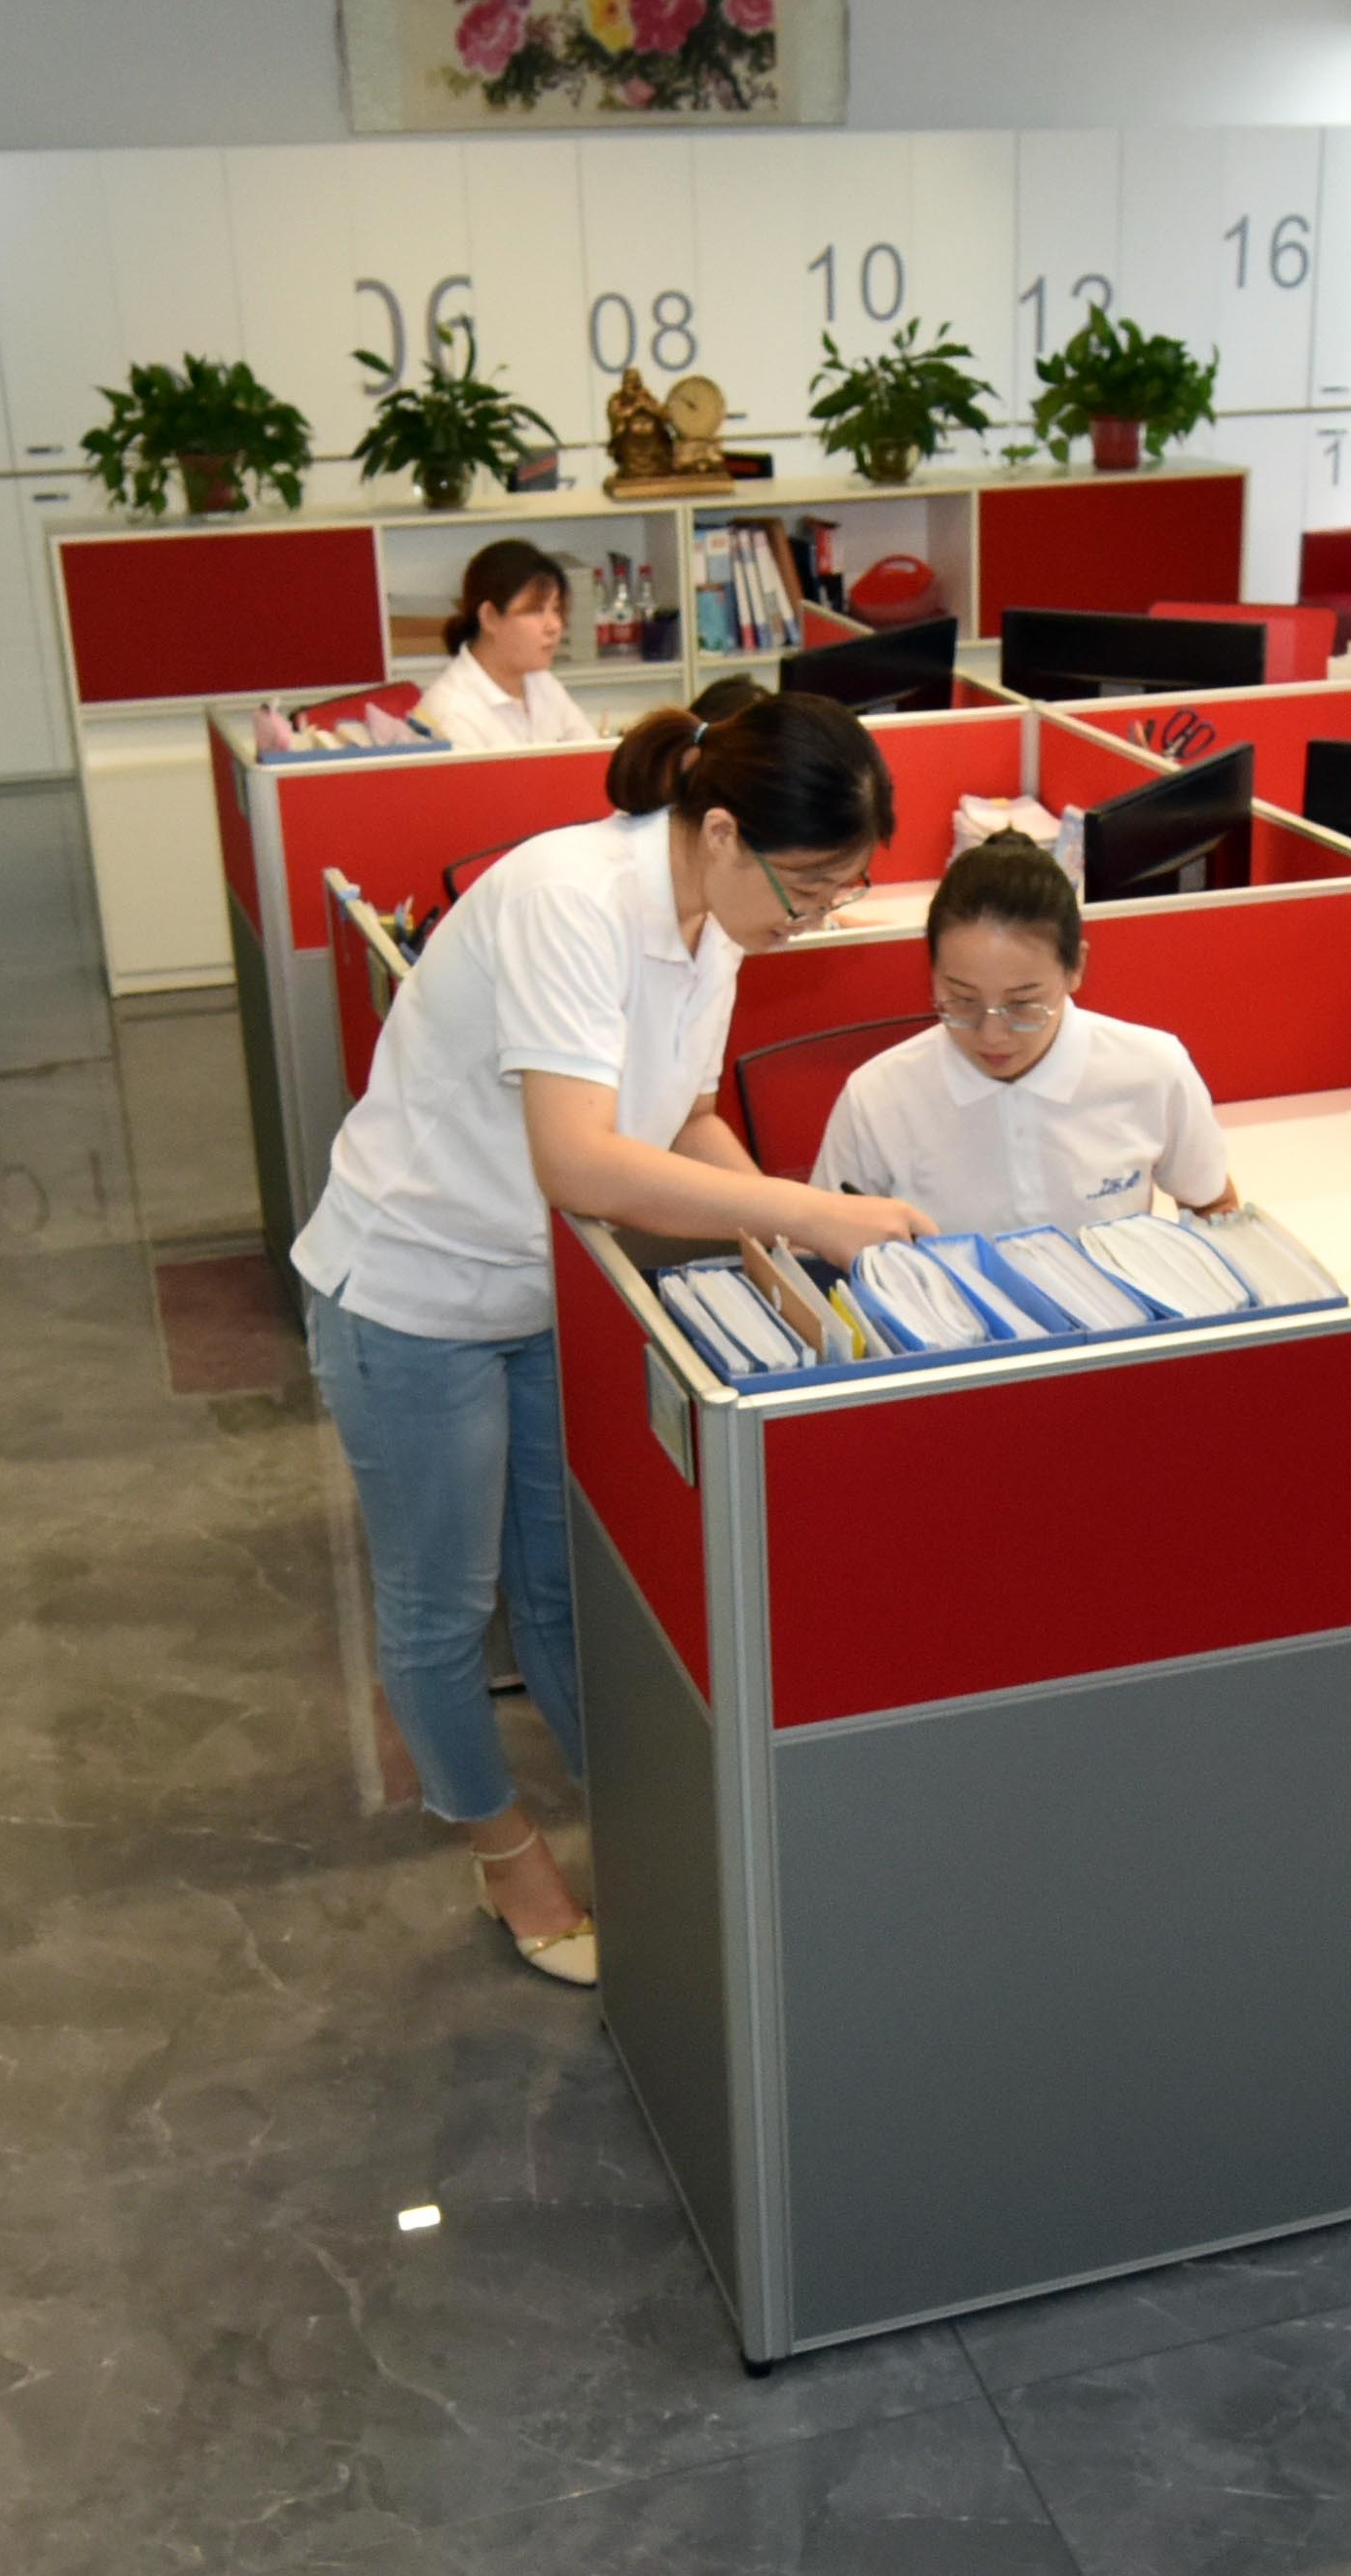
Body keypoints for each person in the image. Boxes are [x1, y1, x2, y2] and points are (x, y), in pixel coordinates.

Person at [289, 692, 920, 1986]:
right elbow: (578, 1162)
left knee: (562, 1582)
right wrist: (805, 1212)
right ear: (725, 830)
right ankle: (504, 1853)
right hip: (412, 1287)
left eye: (838, 893)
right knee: (442, 1603)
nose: (814, 918)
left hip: (542, 1289)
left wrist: (796, 1255)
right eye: (808, 888)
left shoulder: (715, 919)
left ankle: (635, 1823)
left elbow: (682, 1114)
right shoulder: (569, 900)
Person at [809, 833, 1240, 1234]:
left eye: (1022, 1005)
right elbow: (822, 1247)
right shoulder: (877, 1097)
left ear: (1076, 967)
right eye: (961, 1001)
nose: (992, 1035)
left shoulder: (1153, 1069)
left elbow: (1213, 1204)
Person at [407, 538, 596, 750]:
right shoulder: (451, 713)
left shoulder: (541, 681)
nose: (554, 625)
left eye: (556, 609)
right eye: (536, 610)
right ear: (490, 617)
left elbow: (590, 754)